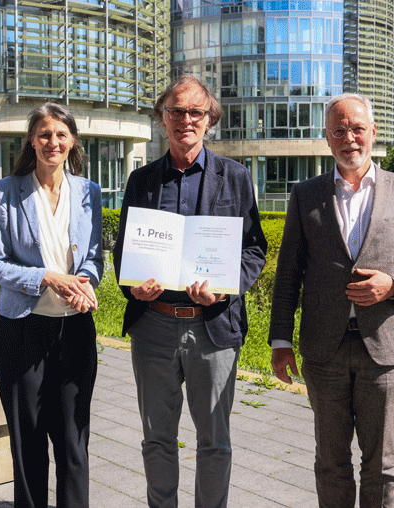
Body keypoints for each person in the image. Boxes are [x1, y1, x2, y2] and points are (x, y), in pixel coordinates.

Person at [269, 93, 394, 508]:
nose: (350, 137)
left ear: (373, 133)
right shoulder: (305, 194)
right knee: (330, 461)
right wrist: (280, 341)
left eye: (358, 128)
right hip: (322, 351)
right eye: (340, 130)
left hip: (383, 349)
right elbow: (288, 273)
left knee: (381, 462)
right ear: (327, 138)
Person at [113, 74, 267, 508]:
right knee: (156, 439)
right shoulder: (141, 181)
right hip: (154, 325)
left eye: (195, 112)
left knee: (214, 440)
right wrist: (133, 288)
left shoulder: (235, 177)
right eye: (176, 111)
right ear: (163, 118)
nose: (186, 119)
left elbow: (254, 249)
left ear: (209, 120)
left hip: (213, 329)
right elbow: (124, 251)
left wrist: (223, 290)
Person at [0, 102, 103, 508]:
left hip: (75, 329)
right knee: (29, 441)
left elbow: (94, 257)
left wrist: (86, 282)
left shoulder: (89, 191)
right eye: (45, 134)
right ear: (32, 141)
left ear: (72, 141)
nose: (53, 142)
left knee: (73, 441)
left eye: (61, 135)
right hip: (22, 330)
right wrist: (48, 277)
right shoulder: (5, 191)